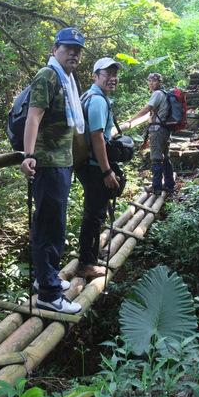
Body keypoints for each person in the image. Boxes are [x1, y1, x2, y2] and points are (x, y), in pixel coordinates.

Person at [20, 27, 86, 314]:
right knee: (49, 227)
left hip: (62, 163)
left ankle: (45, 280)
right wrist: (29, 155)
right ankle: (48, 292)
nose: (73, 53)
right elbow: (33, 117)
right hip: (47, 163)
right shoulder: (48, 76)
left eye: (78, 50)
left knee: (55, 225)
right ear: (56, 48)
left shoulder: (67, 78)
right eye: (68, 47)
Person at [75, 58, 123, 278]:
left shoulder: (89, 95)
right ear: (96, 76)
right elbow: (96, 136)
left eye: (115, 75)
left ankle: (91, 253)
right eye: (107, 74)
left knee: (94, 213)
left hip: (87, 163)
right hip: (94, 166)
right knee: (94, 215)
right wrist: (106, 171)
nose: (112, 79)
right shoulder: (97, 101)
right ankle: (86, 263)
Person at [127, 72, 175, 195]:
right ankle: (169, 184)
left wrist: (132, 120)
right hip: (165, 129)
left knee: (156, 158)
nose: (151, 83)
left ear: (160, 82)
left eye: (154, 81)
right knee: (165, 157)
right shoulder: (164, 93)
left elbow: (147, 108)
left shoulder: (157, 94)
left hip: (158, 130)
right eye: (149, 81)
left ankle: (156, 187)